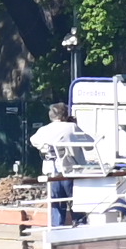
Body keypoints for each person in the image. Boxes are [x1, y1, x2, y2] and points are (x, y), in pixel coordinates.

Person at [32, 96, 99, 227]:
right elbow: (90, 144)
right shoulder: (71, 127)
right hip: (70, 170)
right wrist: (75, 125)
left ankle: (57, 230)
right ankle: (80, 228)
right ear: (66, 115)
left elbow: (34, 140)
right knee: (76, 203)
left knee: (56, 203)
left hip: (52, 172)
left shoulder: (44, 130)